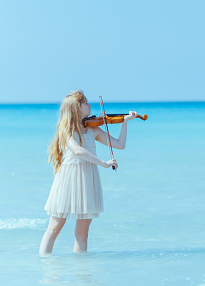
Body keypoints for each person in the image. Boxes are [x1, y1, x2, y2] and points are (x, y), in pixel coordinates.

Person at [39, 90, 137, 256]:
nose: (90, 105)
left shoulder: (93, 130)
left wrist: (125, 122)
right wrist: (103, 163)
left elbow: (120, 144)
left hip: (87, 179)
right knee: (55, 227)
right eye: (85, 102)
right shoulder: (66, 130)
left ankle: (82, 274)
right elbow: (78, 151)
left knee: (82, 233)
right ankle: (46, 268)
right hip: (68, 180)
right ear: (76, 108)